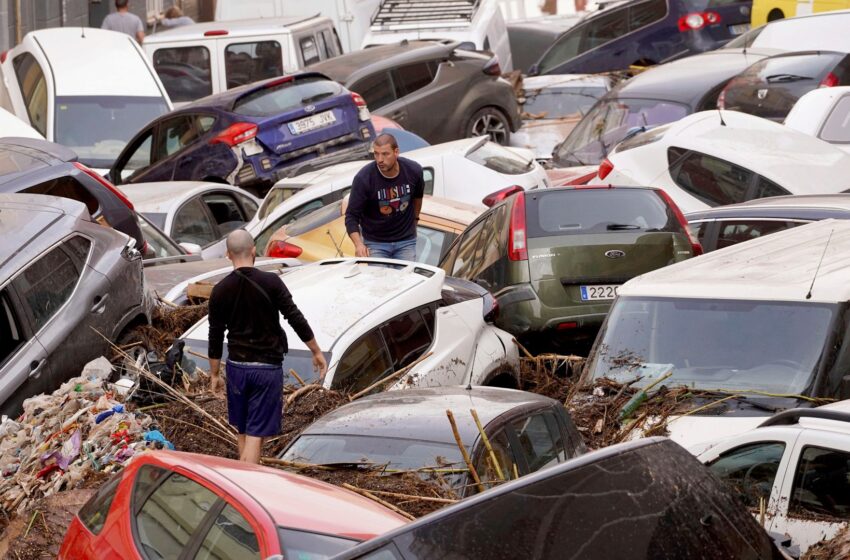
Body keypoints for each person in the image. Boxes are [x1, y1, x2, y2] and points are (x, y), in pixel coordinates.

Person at [207, 229, 327, 464]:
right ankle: (245, 483)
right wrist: (315, 350)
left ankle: (247, 473)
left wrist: (214, 374)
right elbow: (295, 317)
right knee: (254, 434)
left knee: (243, 429)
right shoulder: (271, 282)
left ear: (228, 254)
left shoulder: (220, 290)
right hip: (266, 369)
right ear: (254, 251)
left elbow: (215, 335)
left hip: (237, 368)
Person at [345, 133, 425, 261]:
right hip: (376, 243)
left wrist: (415, 220)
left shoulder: (413, 170)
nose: (379, 159)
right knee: (381, 280)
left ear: (396, 152)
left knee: (406, 279)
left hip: (406, 241)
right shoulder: (364, 178)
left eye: (385, 154)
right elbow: (351, 216)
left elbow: (418, 198)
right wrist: (359, 244)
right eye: (376, 154)